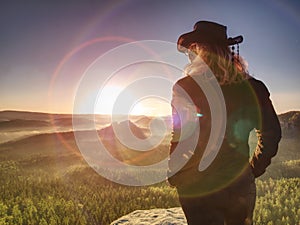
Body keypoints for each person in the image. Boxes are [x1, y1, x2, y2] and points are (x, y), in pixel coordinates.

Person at [167, 21, 281, 225]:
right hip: (239, 183)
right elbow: (272, 134)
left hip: (197, 185)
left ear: (199, 51)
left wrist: (176, 174)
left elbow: (180, 135)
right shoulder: (254, 88)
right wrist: (253, 169)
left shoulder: (185, 88)